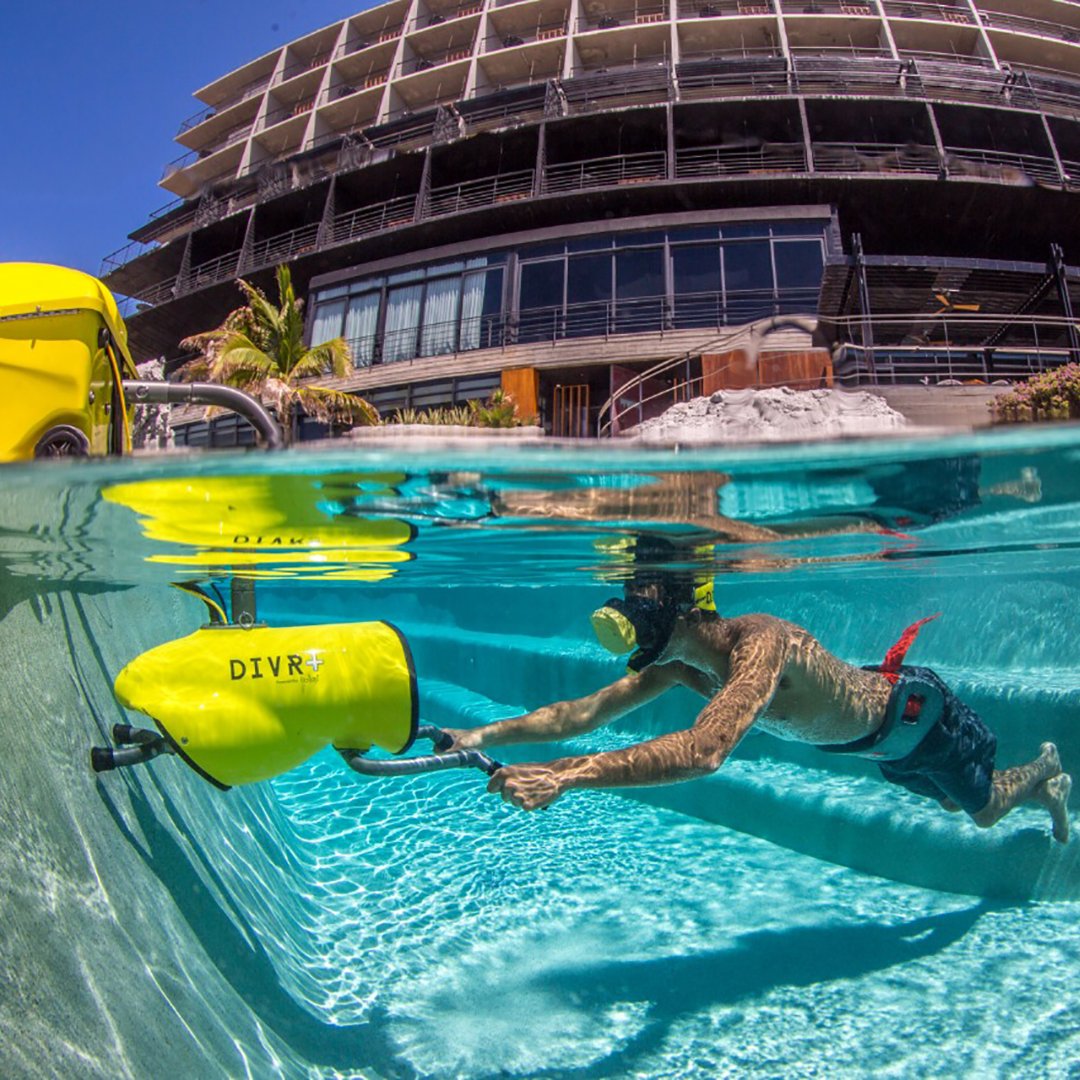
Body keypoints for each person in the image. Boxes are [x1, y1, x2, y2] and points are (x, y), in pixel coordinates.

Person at [442, 573, 1071, 843]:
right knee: (952, 801)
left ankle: (1043, 768)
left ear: (686, 606)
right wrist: (475, 735)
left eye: (641, 601)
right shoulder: (679, 667)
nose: (629, 614)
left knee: (983, 811)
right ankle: (1045, 792)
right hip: (878, 748)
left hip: (920, 719)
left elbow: (706, 751)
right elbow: (580, 715)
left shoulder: (761, 641)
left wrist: (564, 774)